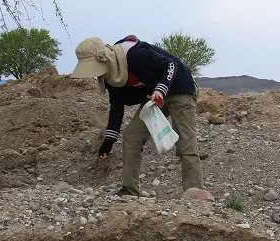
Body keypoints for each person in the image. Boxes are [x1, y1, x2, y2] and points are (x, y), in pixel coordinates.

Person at [70, 35, 206, 197]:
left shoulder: (134, 53)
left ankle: (195, 194)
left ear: (103, 58)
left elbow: (171, 65)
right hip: (154, 97)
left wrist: (161, 89)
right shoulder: (112, 76)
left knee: (186, 143)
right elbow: (116, 108)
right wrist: (108, 142)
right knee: (132, 136)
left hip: (179, 90)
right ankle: (129, 190)